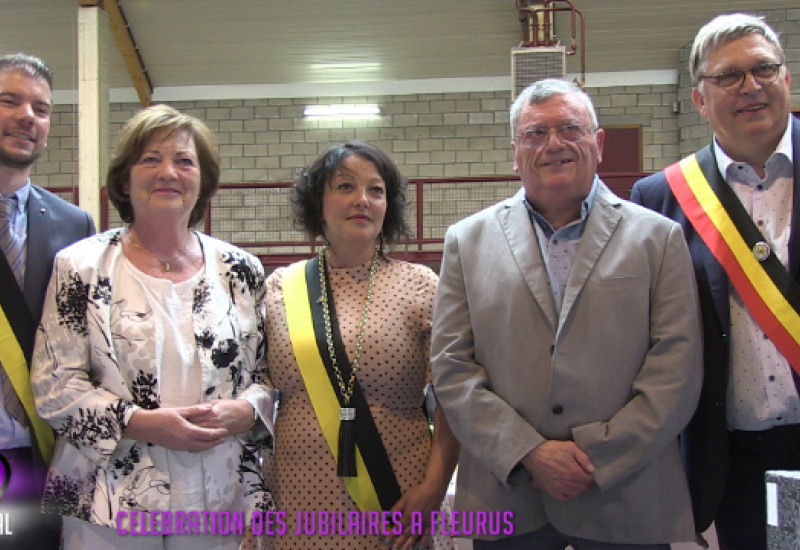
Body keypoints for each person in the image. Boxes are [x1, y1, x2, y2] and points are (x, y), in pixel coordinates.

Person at [430, 78, 703, 549]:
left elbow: (677, 368)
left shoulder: (657, 238)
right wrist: (529, 453)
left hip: (626, 496)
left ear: (598, 143)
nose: (554, 143)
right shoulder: (465, 242)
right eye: (536, 133)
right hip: (508, 498)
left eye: (570, 128)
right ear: (515, 152)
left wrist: (598, 455)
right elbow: (452, 368)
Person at [30, 104, 275, 550]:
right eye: (151, 159)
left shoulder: (242, 270)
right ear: (125, 179)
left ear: (203, 181)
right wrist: (141, 423)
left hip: (220, 499)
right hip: (106, 503)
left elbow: (266, 377)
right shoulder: (80, 266)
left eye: (184, 161)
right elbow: (54, 386)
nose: (168, 171)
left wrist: (249, 410)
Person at [630, 13, 798, 550]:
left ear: (786, 77)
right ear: (700, 99)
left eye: (763, 68)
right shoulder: (661, 197)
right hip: (736, 458)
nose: (749, 86)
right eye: (728, 76)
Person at [241, 141, 459, 550]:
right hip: (296, 499)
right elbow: (257, 391)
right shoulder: (278, 289)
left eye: (375, 191)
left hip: (396, 497)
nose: (362, 200)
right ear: (317, 204)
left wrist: (434, 486)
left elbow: (454, 395)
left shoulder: (421, 286)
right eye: (345, 187)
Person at [0, 52, 95, 549]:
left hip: (32, 461)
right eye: (9, 101)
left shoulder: (73, 226)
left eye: (40, 108)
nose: (27, 117)